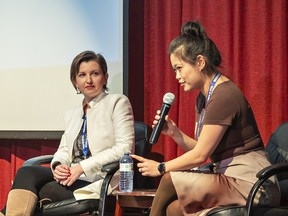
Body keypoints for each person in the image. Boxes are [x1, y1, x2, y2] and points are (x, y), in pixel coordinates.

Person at [131, 21, 280, 216]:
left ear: (200, 62)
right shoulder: (204, 97)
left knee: (169, 178)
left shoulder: (224, 95)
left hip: (252, 182)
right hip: (227, 176)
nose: (177, 76)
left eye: (179, 68)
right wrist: (175, 133)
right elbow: (203, 149)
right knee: (174, 209)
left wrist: (160, 167)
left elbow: (200, 156)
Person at [1, 50, 134, 216]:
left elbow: (124, 148)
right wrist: (58, 165)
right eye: (82, 75)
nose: (89, 80)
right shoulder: (72, 114)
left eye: (95, 73)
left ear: (105, 77)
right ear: (75, 81)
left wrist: (82, 167)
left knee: (42, 191)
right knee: (26, 172)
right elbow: (64, 149)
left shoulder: (117, 102)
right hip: (71, 176)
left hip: (99, 179)